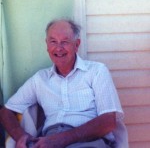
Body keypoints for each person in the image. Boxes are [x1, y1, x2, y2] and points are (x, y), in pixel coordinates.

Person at [0, 19, 128, 148]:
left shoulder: (97, 71)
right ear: (47, 45)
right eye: (53, 42)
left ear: (76, 45)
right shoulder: (40, 79)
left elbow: (108, 121)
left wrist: (61, 139)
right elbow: (7, 111)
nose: (58, 48)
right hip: (48, 142)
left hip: (88, 141)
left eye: (65, 42)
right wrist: (20, 136)